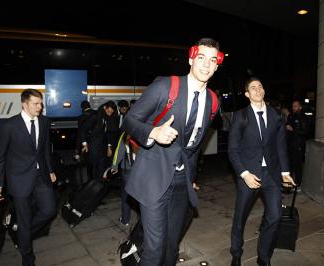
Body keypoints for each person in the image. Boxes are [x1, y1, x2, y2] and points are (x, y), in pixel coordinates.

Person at [122, 37, 222, 266]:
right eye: (201, 58)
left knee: (170, 248)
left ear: (217, 66)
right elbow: (129, 120)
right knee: (155, 250)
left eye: (212, 60)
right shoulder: (166, 86)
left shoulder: (213, 102)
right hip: (154, 176)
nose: (206, 64)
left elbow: (195, 144)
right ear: (190, 59)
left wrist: (191, 176)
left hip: (181, 181)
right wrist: (153, 133)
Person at [228, 77, 295, 266]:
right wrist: (244, 174)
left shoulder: (277, 116)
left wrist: (285, 172)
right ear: (247, 94)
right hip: (249, 175)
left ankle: (264, 256)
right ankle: (236, 253)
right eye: (253, 88)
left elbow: (281, 147)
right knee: (240, 218)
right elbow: (232, 150)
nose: (258, 90)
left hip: (272, 175)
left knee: (274, 217)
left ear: (264, 91)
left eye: (260, 87)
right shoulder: (240, 116)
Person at [0, 89, 57, 266]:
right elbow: (0, 157)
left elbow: (44, 150)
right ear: (24, 104)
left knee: (49, 210)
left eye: (41, 103)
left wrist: (50, 170)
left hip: (41, 176)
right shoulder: (10, 125)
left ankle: (23, 234)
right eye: (36, 104)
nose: (40, 107)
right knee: (24, 217)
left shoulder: (43, 121)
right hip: (19, 179)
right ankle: (28, 259)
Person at [111, 132, 138, 226]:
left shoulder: (126, 133)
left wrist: (114, 166)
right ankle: (142, 221)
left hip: (128, 170)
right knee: (141, 196)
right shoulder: (146, 130)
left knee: (126, 196)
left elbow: (119, 150)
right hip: (142, 170)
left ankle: (125, 219)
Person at [286, 100, 311, 190]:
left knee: (297, 166)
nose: (294, 108)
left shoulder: (304, 118)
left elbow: (305, 132)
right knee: (289, 165)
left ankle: (298, 185)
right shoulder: (291, 116)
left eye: (296, 106)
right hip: (290, 145)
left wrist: (293, 130)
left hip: (298, 145)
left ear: (300, 107)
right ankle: (288, 184)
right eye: (293, 106)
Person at [75, 100, 97, 182]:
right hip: (97, 143)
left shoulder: (81, 117)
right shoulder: (97, 113)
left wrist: (77, 149)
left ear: (82, 108)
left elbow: (80, 133)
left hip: (86, 144)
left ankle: (89, 181)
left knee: (87, 164)